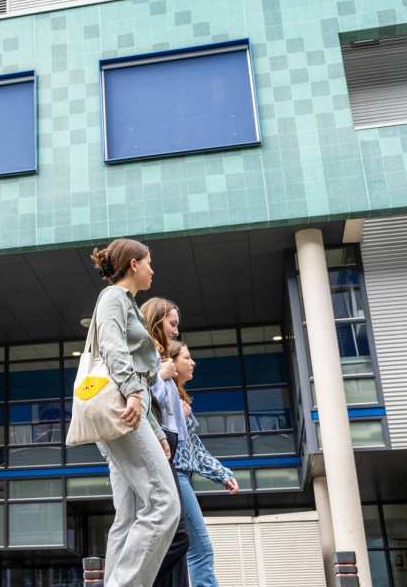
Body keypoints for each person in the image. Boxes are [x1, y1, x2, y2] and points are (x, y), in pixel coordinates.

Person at [89, 238, 181, 587]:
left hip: (129, 411)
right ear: (133, 265)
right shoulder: (113, 298)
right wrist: (131, 392)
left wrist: (156, 431)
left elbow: (141, 380)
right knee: (164, 503)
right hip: (124, 411)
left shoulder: (125, 303)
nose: (152, 270)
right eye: (149, 262)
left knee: (128, 516)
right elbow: (113, 349)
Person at [171, 339, 240, 587]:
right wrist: (177, 414)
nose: (193, 363)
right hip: (175, 476)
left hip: (181, 476)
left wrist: (222, 474)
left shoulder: (179, 399)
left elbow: (195, 448)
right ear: (172, 362)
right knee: (200, 549)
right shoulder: (165, 393)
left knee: (184, 550)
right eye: (186, 357)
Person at [140, 297, 190, 587]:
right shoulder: (146, 353)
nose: (175, 330)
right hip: (157, 442)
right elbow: (142, 397)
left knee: (175, 535)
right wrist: (160, 377)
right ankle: (129, 579)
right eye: (172, 323)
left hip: (168, 444)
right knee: (178, 532)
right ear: (157, 320)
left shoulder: (162, 357)